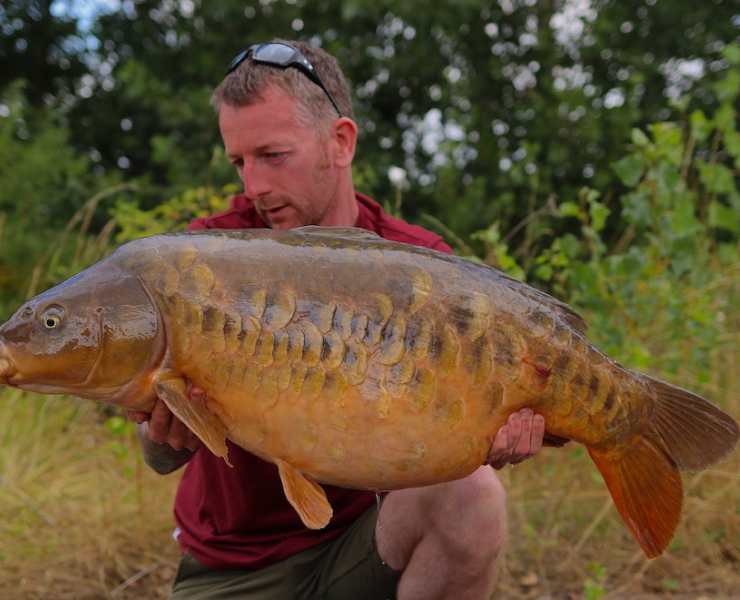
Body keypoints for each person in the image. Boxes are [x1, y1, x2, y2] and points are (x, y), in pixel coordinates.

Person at [126, 39, 548, 600]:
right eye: (239, 162)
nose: (254, 187)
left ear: (340, 142)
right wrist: (163, 432)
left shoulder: (422, 273)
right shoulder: (203, 259)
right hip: (234, 567)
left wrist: (500, 431)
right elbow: (157, 460)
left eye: (273, 156)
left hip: (371, 541)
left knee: (473, 494)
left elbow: (479, 423)